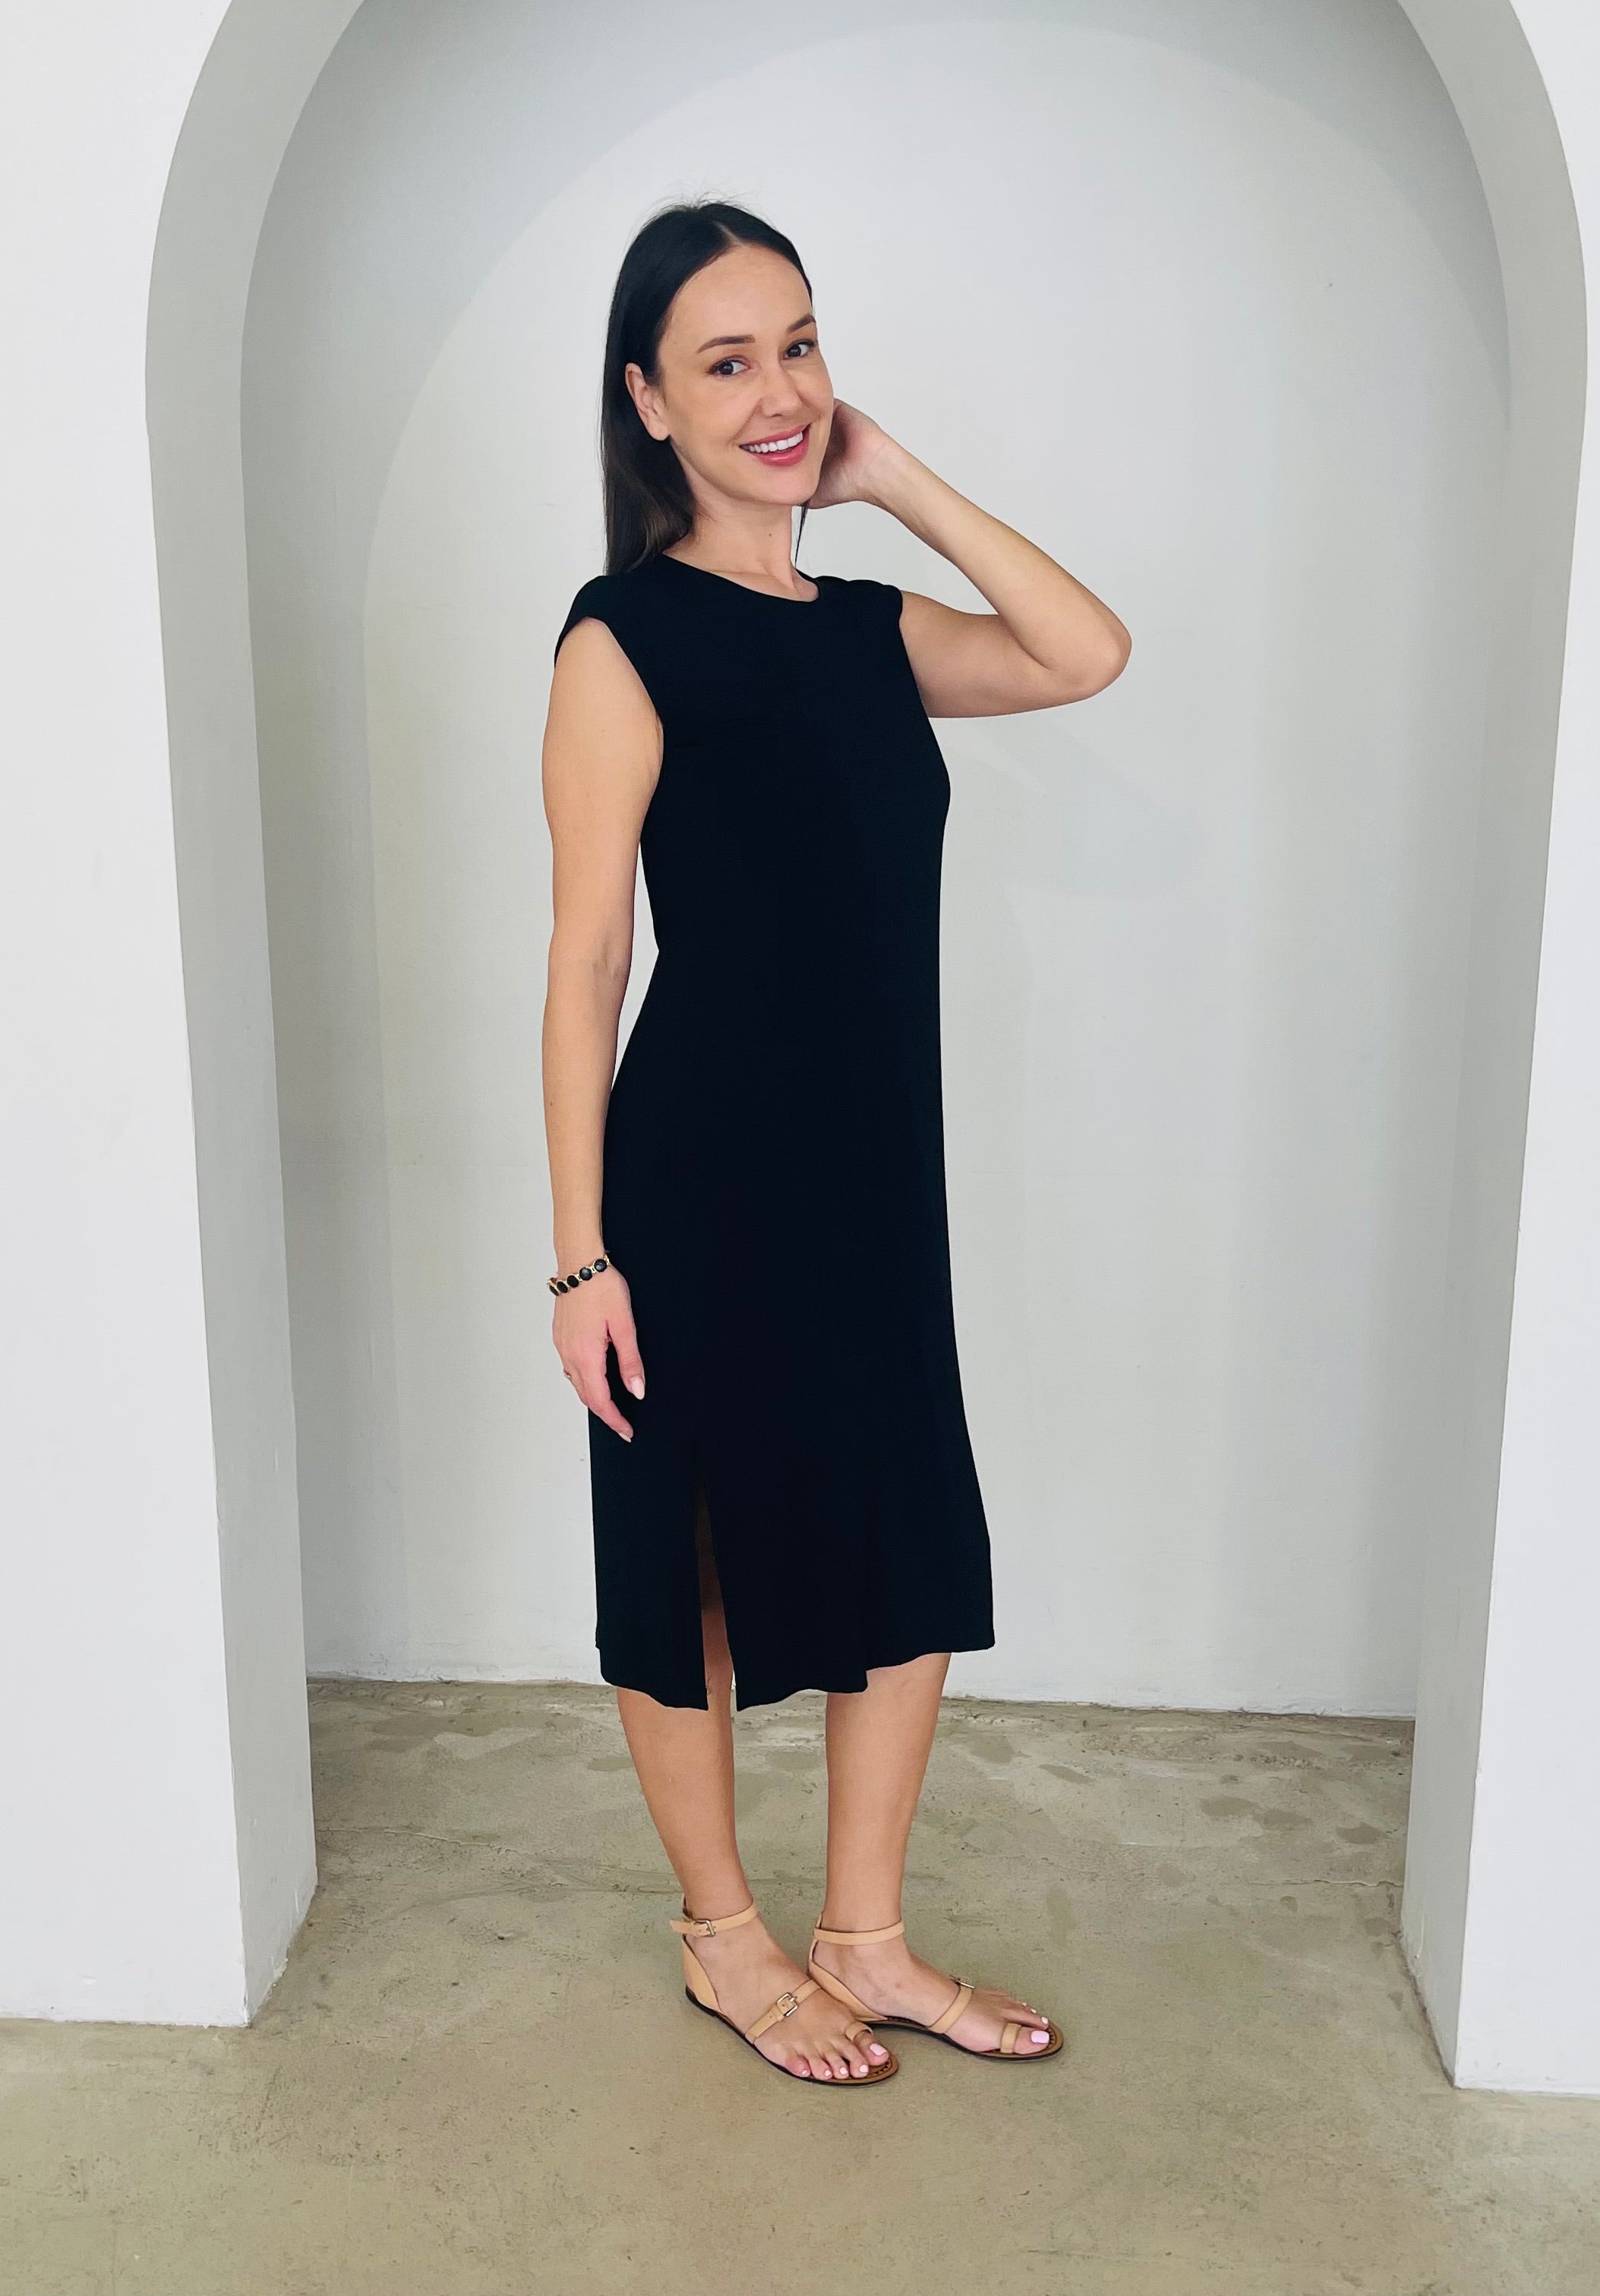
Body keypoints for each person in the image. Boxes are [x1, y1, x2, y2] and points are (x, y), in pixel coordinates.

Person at [539, 200, 1129, 2086]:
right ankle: (726, 1934)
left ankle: (863, 1935)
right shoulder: (623, 640)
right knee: (692, 1560)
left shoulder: (874, 637)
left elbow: (1082, 648)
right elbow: (582, 971)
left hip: (877, 1175)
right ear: (646, 402)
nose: (779, 389)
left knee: (902, 1533)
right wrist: (579, 1257)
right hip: (697, 1184)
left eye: (798, 344)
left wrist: (891, 479)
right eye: (726, 361)